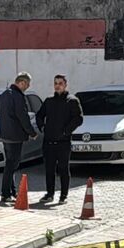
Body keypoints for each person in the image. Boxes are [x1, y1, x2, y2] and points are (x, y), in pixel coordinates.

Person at [35, 75, 84, 205]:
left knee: (63, 169)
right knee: (49, 170)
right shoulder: (49, 101)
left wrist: (66, 131)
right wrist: (42, 127)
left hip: (63, 143)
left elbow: (78, 118)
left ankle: (63, 195)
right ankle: (49, 194)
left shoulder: (72, 101)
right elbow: (39, 115)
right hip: (48, 142)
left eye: (60, 83)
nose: (57, 86)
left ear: (65, 85)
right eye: (55, 83)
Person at [0, 73, 37, 202]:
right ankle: (6, 193)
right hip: (15, 136)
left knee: (10, 164)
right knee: (12, 165)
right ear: (22, 82)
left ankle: (12, 191)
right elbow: (22, 116)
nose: (27, 87)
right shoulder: (18, 96)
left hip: (5, 135)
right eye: (27, 84)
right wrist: (32, 132)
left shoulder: (5, 94)